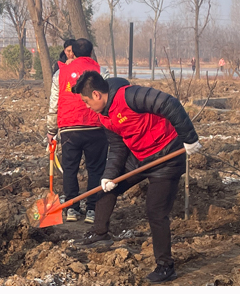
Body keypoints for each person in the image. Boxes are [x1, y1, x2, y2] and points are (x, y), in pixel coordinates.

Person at [74, 70, 202, 283]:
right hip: (140, 156)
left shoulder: (130, 96)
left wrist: (189, 138)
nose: (87, 106)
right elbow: (117, 147)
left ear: (97, 94)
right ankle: (100, 232)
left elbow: (168, 103)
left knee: (155, 212)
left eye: (86, 101)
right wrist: (109, 175)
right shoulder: (104, 116)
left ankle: (165, 266)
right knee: (107, 187)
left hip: (167, 156)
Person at [46, 38, 108, 223]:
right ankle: (92, 209)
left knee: (70, 169)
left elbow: (54, 103)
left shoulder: (60, 74)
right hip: (95, 127)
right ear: (90, 52)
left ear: (72, 51)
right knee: (95, 169)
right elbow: (107, 99)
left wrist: (51, 130)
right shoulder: (101, 72)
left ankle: (72, 208)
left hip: (68, 128)